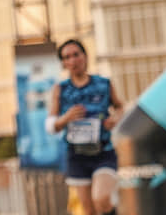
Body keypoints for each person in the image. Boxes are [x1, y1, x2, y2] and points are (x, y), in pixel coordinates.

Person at [48, 39, 124, 215]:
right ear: (63, 63)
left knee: (102, 199)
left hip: (103, 152)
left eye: (76, 55)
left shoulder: (103, 84)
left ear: (85, 56)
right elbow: (51, 126)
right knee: (88, 211)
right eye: (67, 57)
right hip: (77, 155)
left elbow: (119, 107)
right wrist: (66, 118)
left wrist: (115, 119)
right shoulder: (60, 89)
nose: (73, 60)